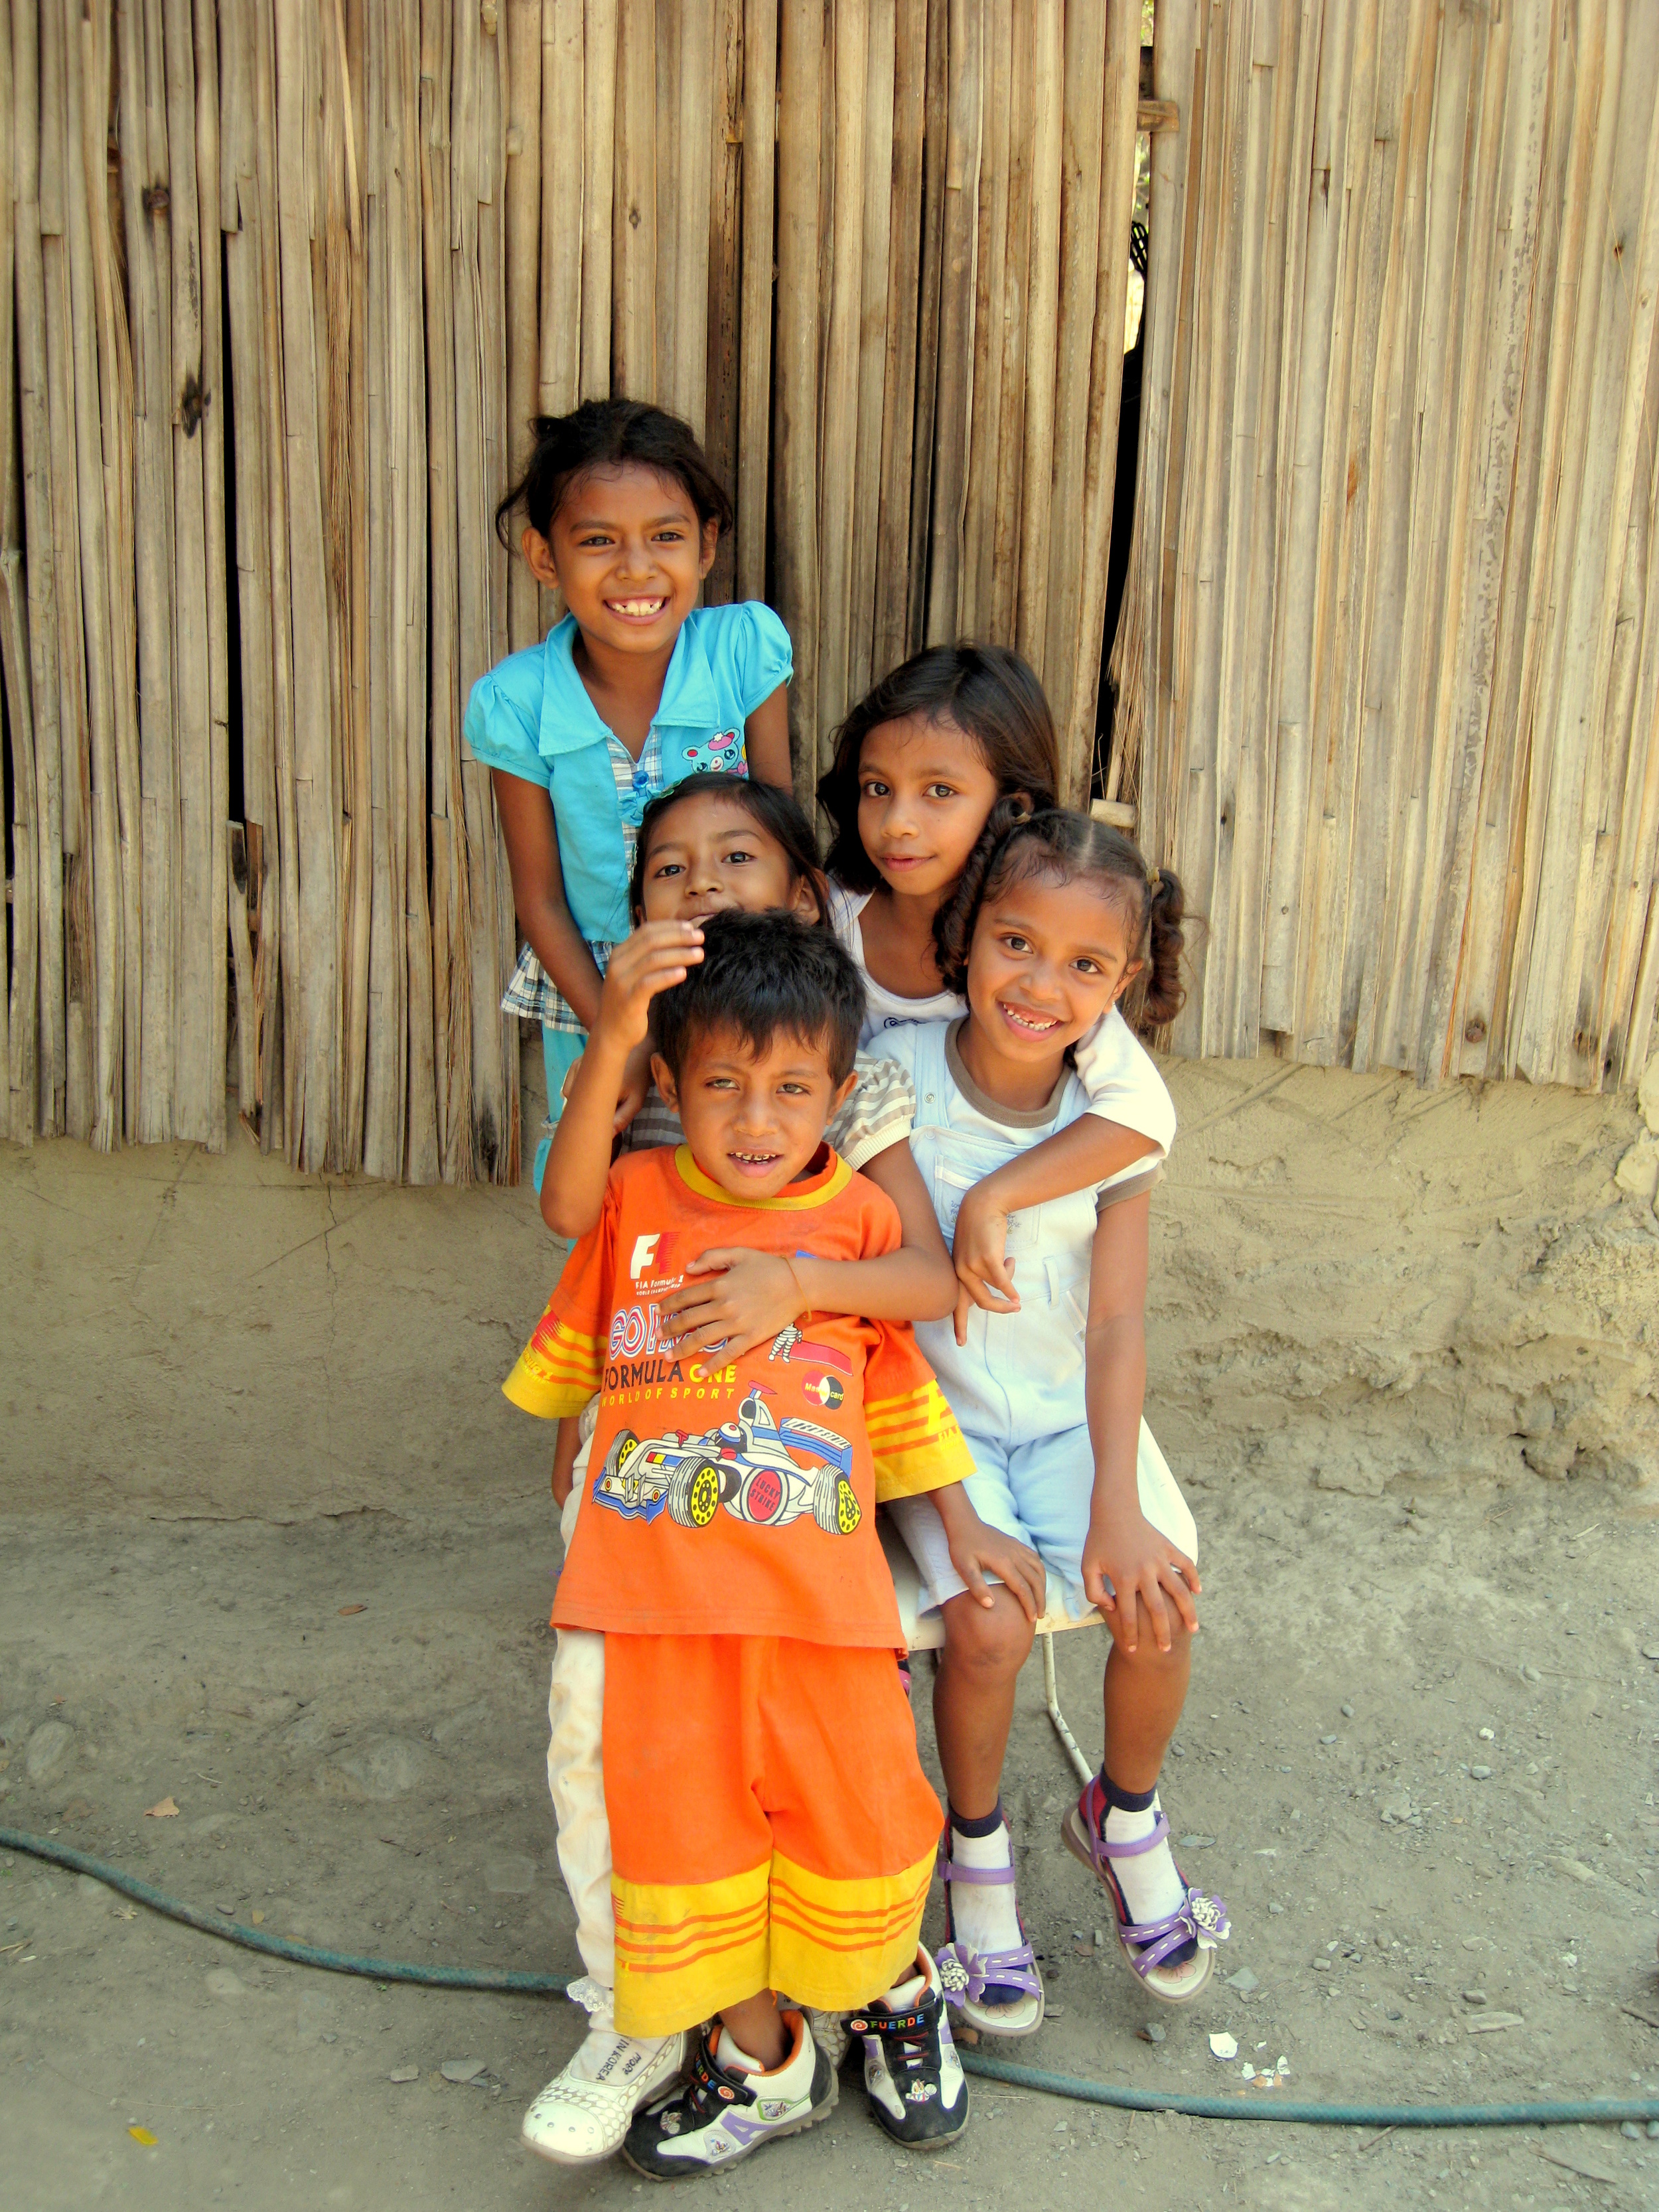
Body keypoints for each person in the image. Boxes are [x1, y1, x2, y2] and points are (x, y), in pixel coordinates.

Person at [502, 911, 1037, 2177]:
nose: (755, 1119)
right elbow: (563, 1230)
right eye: (723, 1086)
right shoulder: (635, 1197)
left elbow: (903, 1391)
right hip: (657, 1609)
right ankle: (765, 2060)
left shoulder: (853, 1228)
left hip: (820, 1607)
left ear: (840, 1097)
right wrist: (615, 1033)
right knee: (687, 1834)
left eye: (792, 1089)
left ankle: (898, 1997)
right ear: (671, 1088)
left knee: (858, 1813)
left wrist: (962, 1535)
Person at [875, 809, 1231, 2037]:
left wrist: (1122, 1507)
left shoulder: (1112, 1120)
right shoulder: (893, 1077)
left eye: (1085, 965)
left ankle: (1120, 1811)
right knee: (985, 1624)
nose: (1041, 984)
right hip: (936, 1418)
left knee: (1160, 1592)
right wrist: (953, 1504)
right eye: (1017, 943)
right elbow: (889, 1329)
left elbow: (1116, 1325)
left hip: (1074, 1417)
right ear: (968, 934)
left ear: (1124, 985)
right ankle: (976, 1850)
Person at [465, 398, 794, 1190]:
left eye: (666, 536)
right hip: (599, 991)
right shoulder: (518, 703)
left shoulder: (742, 650)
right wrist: (621, 1035)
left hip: (742, 978)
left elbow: (782, 834)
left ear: (708, 545)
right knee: (608, 1185)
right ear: (545, 558)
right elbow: (541, 902)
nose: (637, 569)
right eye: (598, 541)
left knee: (753, 1172)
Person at [816, 645, 1177, 1329]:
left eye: (940, 792)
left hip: (979, 1284)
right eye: (877, 787)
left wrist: (995, 1197)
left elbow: (1145, 1115)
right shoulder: (832, 921)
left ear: (1011, 806)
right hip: (846, 1246)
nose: (897, 821)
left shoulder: (1029, 964)